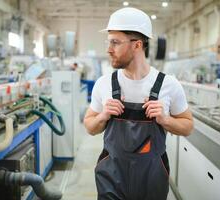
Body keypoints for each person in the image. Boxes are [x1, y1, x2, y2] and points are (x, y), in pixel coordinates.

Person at [83, 7, 193, 200]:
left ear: (137, 45)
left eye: (115, 43)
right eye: (108, 42)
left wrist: (165, 120)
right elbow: (90, 127)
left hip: (152, 180)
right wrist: (102, 116)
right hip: (111, 179)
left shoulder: (168, 84)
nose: (108, 49)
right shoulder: (104, 84)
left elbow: (188, 127)